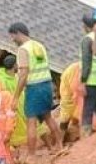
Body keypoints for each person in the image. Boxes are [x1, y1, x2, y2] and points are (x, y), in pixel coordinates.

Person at [8, 23, 62, 155]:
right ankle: (60, 145)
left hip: (34, 87)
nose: (12, 39)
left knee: (30, 121)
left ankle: (31, 155)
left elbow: (24, 74)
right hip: (46, 85)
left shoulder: (23, 50)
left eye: (12, 36)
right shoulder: (39, 46)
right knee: (48, 117)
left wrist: (16, 96)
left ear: (18, 33)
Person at [77, 15, 96, 137]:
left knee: (88, 110)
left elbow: (86, 62)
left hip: (91, 80)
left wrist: (82, 81)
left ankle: (85, 138)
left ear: (86, 26)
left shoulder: (87, 40)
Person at [57, 60, 84, 140]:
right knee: (69, 108)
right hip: (71, 82)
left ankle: (61, 139)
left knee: (72, 107)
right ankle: (60, 140)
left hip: (71, 79)